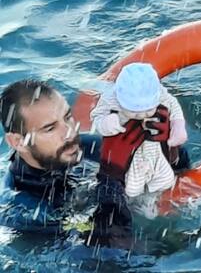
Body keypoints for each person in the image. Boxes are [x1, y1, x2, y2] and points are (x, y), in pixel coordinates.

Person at [0, 79, 176, 249]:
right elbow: (112, 250)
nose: (70, 132)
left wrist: (163, 145)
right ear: (18, 142)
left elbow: (176, 170)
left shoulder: (81, 148)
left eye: (67, 117)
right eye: (50, 128)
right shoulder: (25, 211)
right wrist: (112, 175)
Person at [90, 62, 188, 218]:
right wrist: (106, 123)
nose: (142, 115)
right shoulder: (111, 99)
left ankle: (159, 199)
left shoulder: (162, 95)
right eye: (135, 112)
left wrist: (178, 128)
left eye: (148, 110)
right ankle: (134, 208)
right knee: (128, 189)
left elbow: (174, 108)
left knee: (164, 177)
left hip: (154, 150)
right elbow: (97, 116)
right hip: (125, 159)